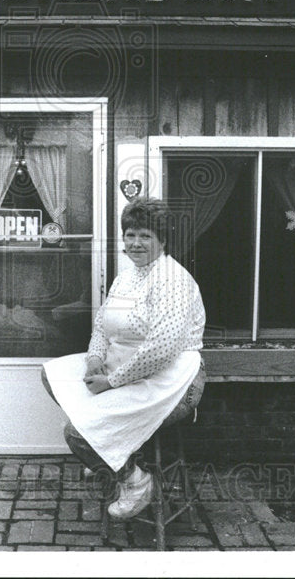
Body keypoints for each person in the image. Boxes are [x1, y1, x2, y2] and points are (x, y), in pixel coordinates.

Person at [42, 197, 206, 519]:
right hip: (122, 369)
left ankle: (135, 480)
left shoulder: (173, 280)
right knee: (51, 375)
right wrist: (94, 360)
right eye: (130, 234)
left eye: (145, 235)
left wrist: (110, 381)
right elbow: (102, 325)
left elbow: (162, 348)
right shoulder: (126, 277)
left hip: (171, 381)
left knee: (76, 433)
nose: (135, 243)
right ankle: (107, 450)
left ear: (162, 239)